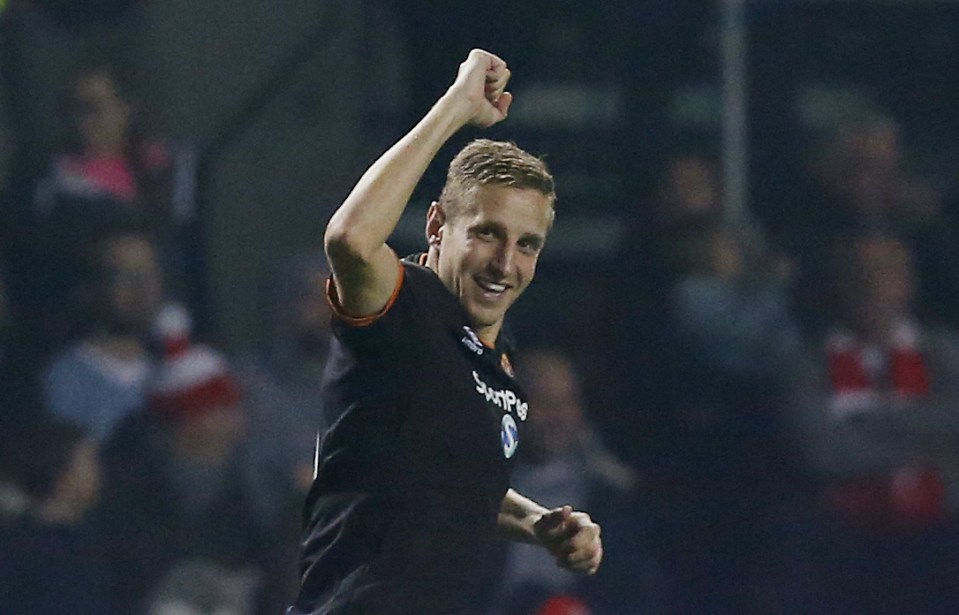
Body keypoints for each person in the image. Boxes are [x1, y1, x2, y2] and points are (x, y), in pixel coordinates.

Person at [290, 49, 602, 615]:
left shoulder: (497, 364)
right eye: (487, 234)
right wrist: (454, 108)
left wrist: (538, 524)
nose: (505, 263)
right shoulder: (403, 308)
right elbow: (349, 240)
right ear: (437, 225)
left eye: (526, 244)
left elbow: (451, 483)